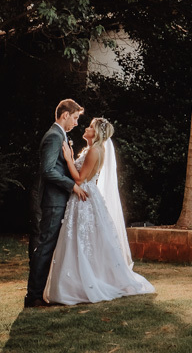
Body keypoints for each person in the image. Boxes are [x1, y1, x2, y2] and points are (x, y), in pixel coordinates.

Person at [44, 117, 154, 305]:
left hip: (84, 197)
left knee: (81, 239)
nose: (86, 128)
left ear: (96, 133)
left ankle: (85, 284)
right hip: (83, 196)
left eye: (90, 127)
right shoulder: (91, 149)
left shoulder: (95, 150)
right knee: (83, 240)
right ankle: (76, 282)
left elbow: (79, 179)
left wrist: (69, 159)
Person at [25, 99, 88, 309]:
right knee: (45, 247)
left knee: (49, 247)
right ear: (65, 115)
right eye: (76, 117)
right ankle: (33, 296)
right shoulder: (54, 136)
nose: (77, 122)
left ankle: (41, 292)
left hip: (58, 201)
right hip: (53, 202)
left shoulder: (61, 135)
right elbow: (48, 170)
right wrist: (73, 186)